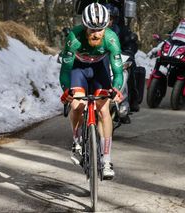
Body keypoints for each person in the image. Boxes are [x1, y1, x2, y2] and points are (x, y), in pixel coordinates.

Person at [60, 3, 124, 179]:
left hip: (99, 70)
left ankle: (106, 160)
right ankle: (76, 139)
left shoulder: (111, 39)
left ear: (107, 26)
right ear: (84, 25)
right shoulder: (74, 37)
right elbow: (65, 71)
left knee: (104, 110)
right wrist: (67, 91)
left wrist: (116, 89)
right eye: (91, 29)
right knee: (77, 104)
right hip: (77, 70)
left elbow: (117, 72)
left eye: (100, 29)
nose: (96, 34)